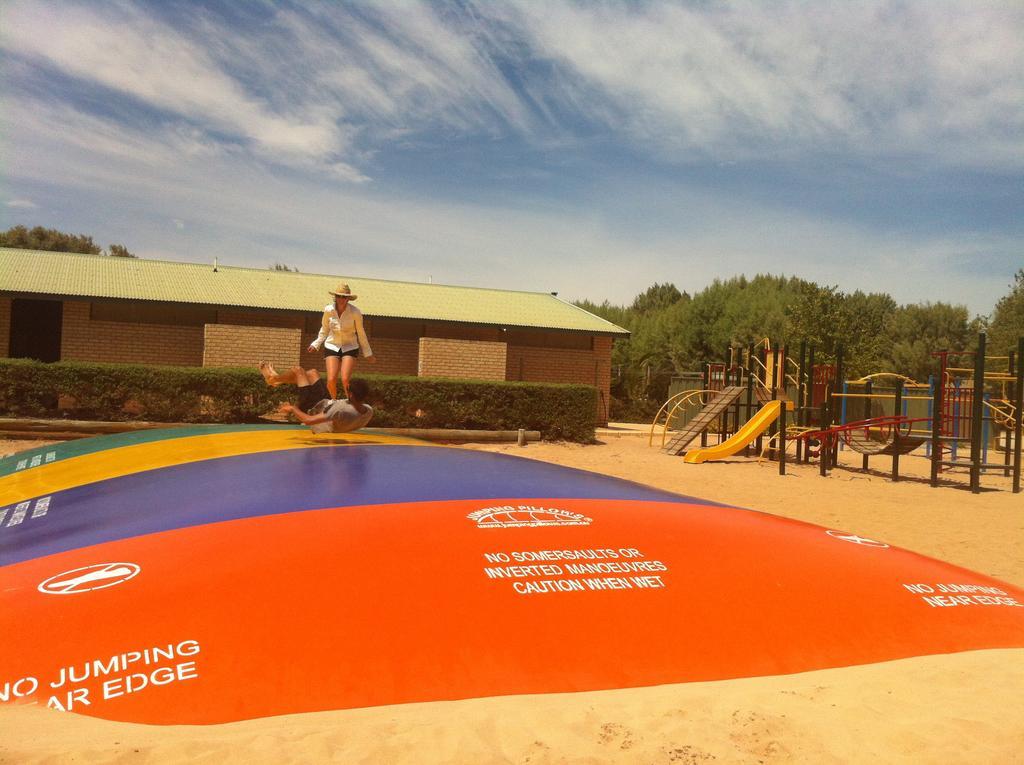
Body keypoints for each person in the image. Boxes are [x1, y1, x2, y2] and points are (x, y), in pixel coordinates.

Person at [259, 361, 373, 434]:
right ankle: (275, 381)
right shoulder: (368, 410)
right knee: (312, 373)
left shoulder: (341, 410)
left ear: (351, 395)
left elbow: (309, 421)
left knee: (298, 371)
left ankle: (273, 379)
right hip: (326, 402)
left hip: (312, 408)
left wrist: (293, 408)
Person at [309, 283, 374, 400]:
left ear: (348, 298)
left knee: (345, 379)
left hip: (350, 346)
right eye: (339, 296)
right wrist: (316, 344)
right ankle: (333, 403)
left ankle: (351, 404)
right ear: (335, 297)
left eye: (345, 297)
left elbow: (361, 332)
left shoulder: (355, 312)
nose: (342, 299)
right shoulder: (328, 310)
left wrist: (368, 353)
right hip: (332, 345)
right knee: (331, 379)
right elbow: (324, 329)